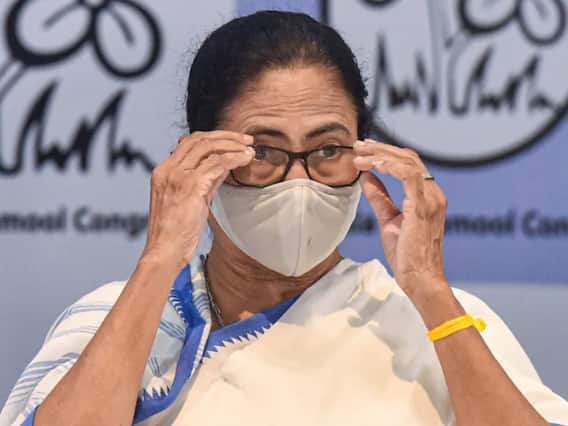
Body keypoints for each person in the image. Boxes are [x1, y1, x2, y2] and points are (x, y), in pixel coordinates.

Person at [1, 10, 567, 426]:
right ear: (197, 160)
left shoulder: (438, 319)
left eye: (328, 149)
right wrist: (159, 260)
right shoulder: (122, 317)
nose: (299, 182)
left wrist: (430, 290)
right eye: (263, 151)